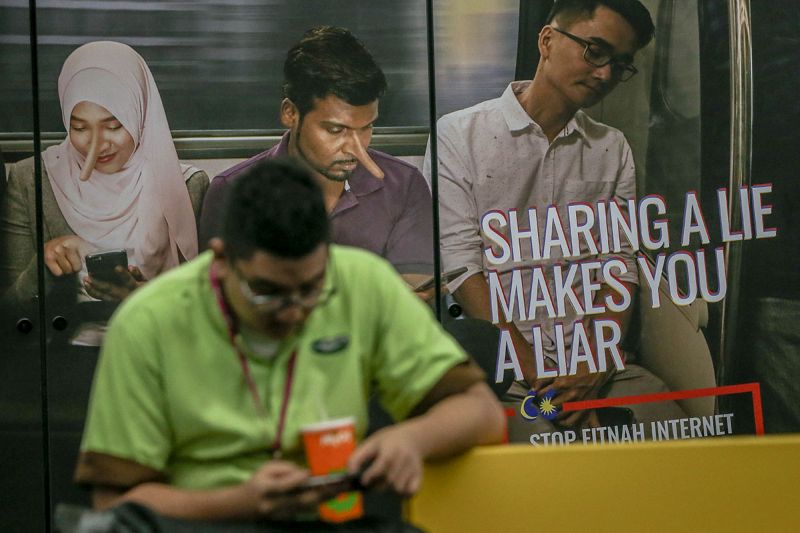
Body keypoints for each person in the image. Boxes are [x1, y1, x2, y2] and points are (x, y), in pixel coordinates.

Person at [75, 158, 505, 522]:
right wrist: (240, 502)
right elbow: (115, 504)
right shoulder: (151, 320)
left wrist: (410, 439)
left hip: (333, 516)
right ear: (222, 260)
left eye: (311, 289)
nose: (294, 310)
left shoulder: (360, 281)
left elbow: (482, 413)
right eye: (268, 292)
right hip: (205, 522)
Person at [425, 0, 684, 437]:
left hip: (594, 364)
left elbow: (619, 265)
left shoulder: (611, 147)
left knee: (678, 435)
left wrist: (595, 361)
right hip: (505, 364)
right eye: (594, 50)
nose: (605, 74)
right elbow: (463, 269)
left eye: (620, 64)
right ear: (547, 40)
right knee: (544, 456)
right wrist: (544, 381)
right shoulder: (459, 134)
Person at [199, 26, 434, 291]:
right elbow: (226, 307)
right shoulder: (233, 191)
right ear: (290, 113)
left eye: (367, 128)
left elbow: (414, 294)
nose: (356, 147)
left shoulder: (403, 186)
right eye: (336, 130)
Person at [0, 41, 208, 311]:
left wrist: (141, 296)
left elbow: (209, 303)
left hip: (154, 343)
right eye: (79, 127)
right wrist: (43, 267)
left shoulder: (186, 185)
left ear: (140, 115)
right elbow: (9, 314)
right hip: (62, 346)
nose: (97, 145)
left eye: (114, 125)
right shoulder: (31, 179)